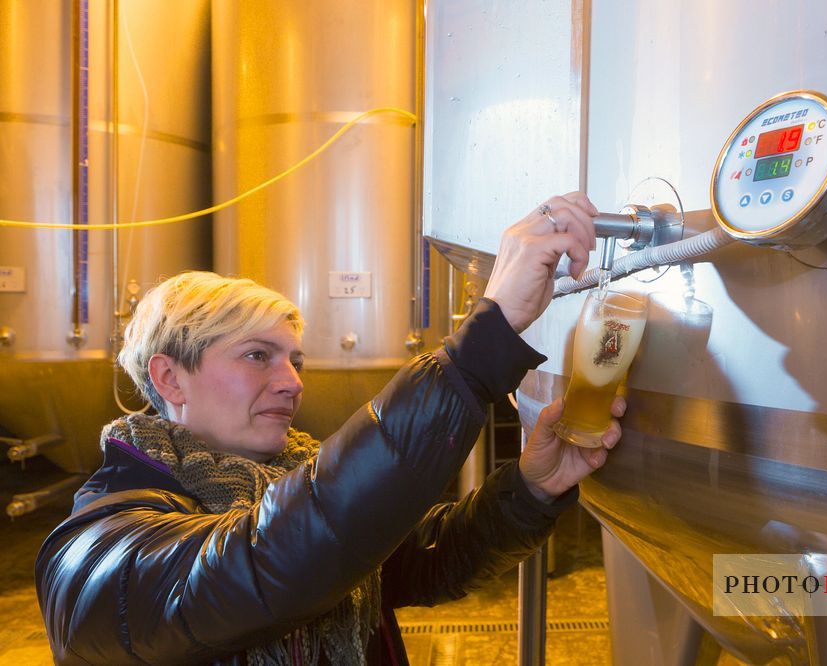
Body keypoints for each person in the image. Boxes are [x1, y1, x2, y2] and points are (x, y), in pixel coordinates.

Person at [35, 192, 628, 665]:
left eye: (295, 361)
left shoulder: (295, 480)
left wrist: (530, 487)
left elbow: (425, 554)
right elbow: (267, 561)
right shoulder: (96, 549)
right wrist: (480, 349)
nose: (292, 382)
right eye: (256, 356)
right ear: (169, 378)